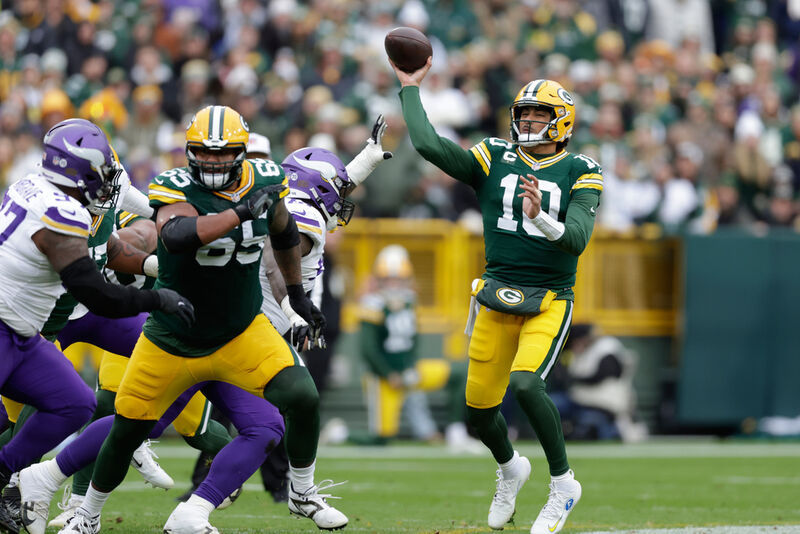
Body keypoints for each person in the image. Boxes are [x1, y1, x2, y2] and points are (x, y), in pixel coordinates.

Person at [44, 105, 341, 534]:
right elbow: (176, 235)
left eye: (223, 154)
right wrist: (239, 212)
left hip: (240, 329)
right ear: (189, 151)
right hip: (173, 334)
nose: (213, 161)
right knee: (128, 429)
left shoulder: (268, 181)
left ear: (241, 153)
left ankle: (302, 492)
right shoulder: (174, 184)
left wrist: (297, 296)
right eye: (204, 152)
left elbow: (285, 234)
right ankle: (87, 513)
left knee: (302, 396)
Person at [391, 59, 602, 533]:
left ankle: (564, 482)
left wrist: (539, 215)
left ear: (561, 122)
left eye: (537, 115)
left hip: (550, 297)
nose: (526, 122)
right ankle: (510, 468)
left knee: (527, 384)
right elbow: (428, 144)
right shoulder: (493, 154)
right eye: (523, 114)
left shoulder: (581, 170)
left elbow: (576, 239)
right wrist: (409, 88)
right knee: (479, 416)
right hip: (496, 295)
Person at [0, 119, 194, 528]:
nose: (105, 182)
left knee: (74, 403)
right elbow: (97, 292)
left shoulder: (31, 184)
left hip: (21, 333)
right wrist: (158, 297)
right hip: (6, 324)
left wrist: (148, 261)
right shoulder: (62, 212)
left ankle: (6, 480)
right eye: (98, 172)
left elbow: (108, 247)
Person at [356, 244, 480, 451]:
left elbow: (413, 341)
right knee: (382, 439)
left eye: (399, 279)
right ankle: (340, 434)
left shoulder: (410, 301)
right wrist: (389, 374)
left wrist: (411, 366)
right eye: (389, 279)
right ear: (379, 279)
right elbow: (368, 349)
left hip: (408, 372)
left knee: (461, 374)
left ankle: (455, 431)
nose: (394, 285)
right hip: (383, 379)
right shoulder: (371, 305)